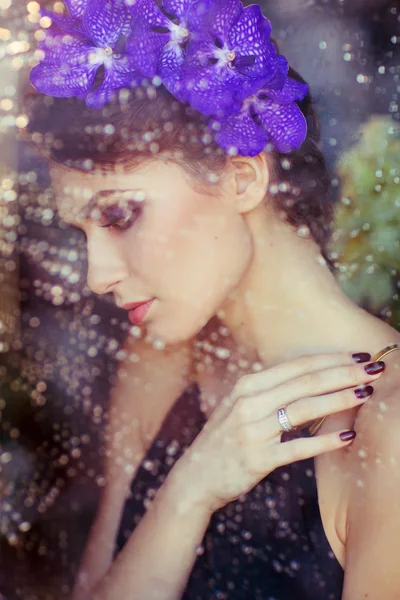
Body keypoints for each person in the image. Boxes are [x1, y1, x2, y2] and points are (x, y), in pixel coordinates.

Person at [24, 0, 400, 598]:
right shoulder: (160, 361)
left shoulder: (388, 427)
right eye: (82, 232)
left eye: (119, 215)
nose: (97, 276)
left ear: (242, 178)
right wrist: (190, 489)